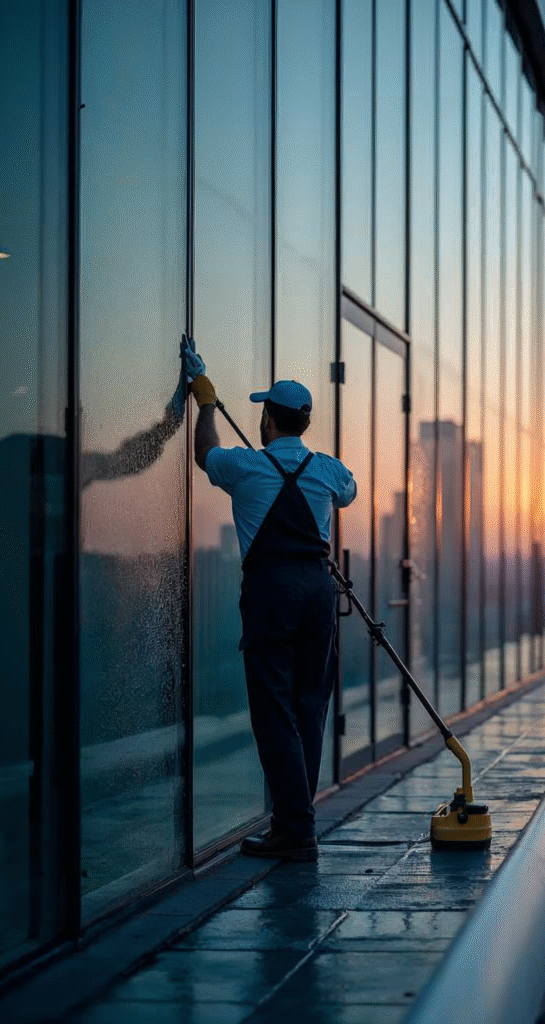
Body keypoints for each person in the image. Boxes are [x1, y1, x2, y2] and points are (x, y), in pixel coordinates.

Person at [182, 338, 356, 861]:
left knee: (274, 708)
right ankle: (295, 820)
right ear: (302, 421)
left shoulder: (247, 468)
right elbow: (348, 490)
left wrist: (205, 399)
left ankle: (295, 829)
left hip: (272, 592)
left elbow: (203, 453)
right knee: (309, 705)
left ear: (268, 420)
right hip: (318, 592)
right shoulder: (326, 469)